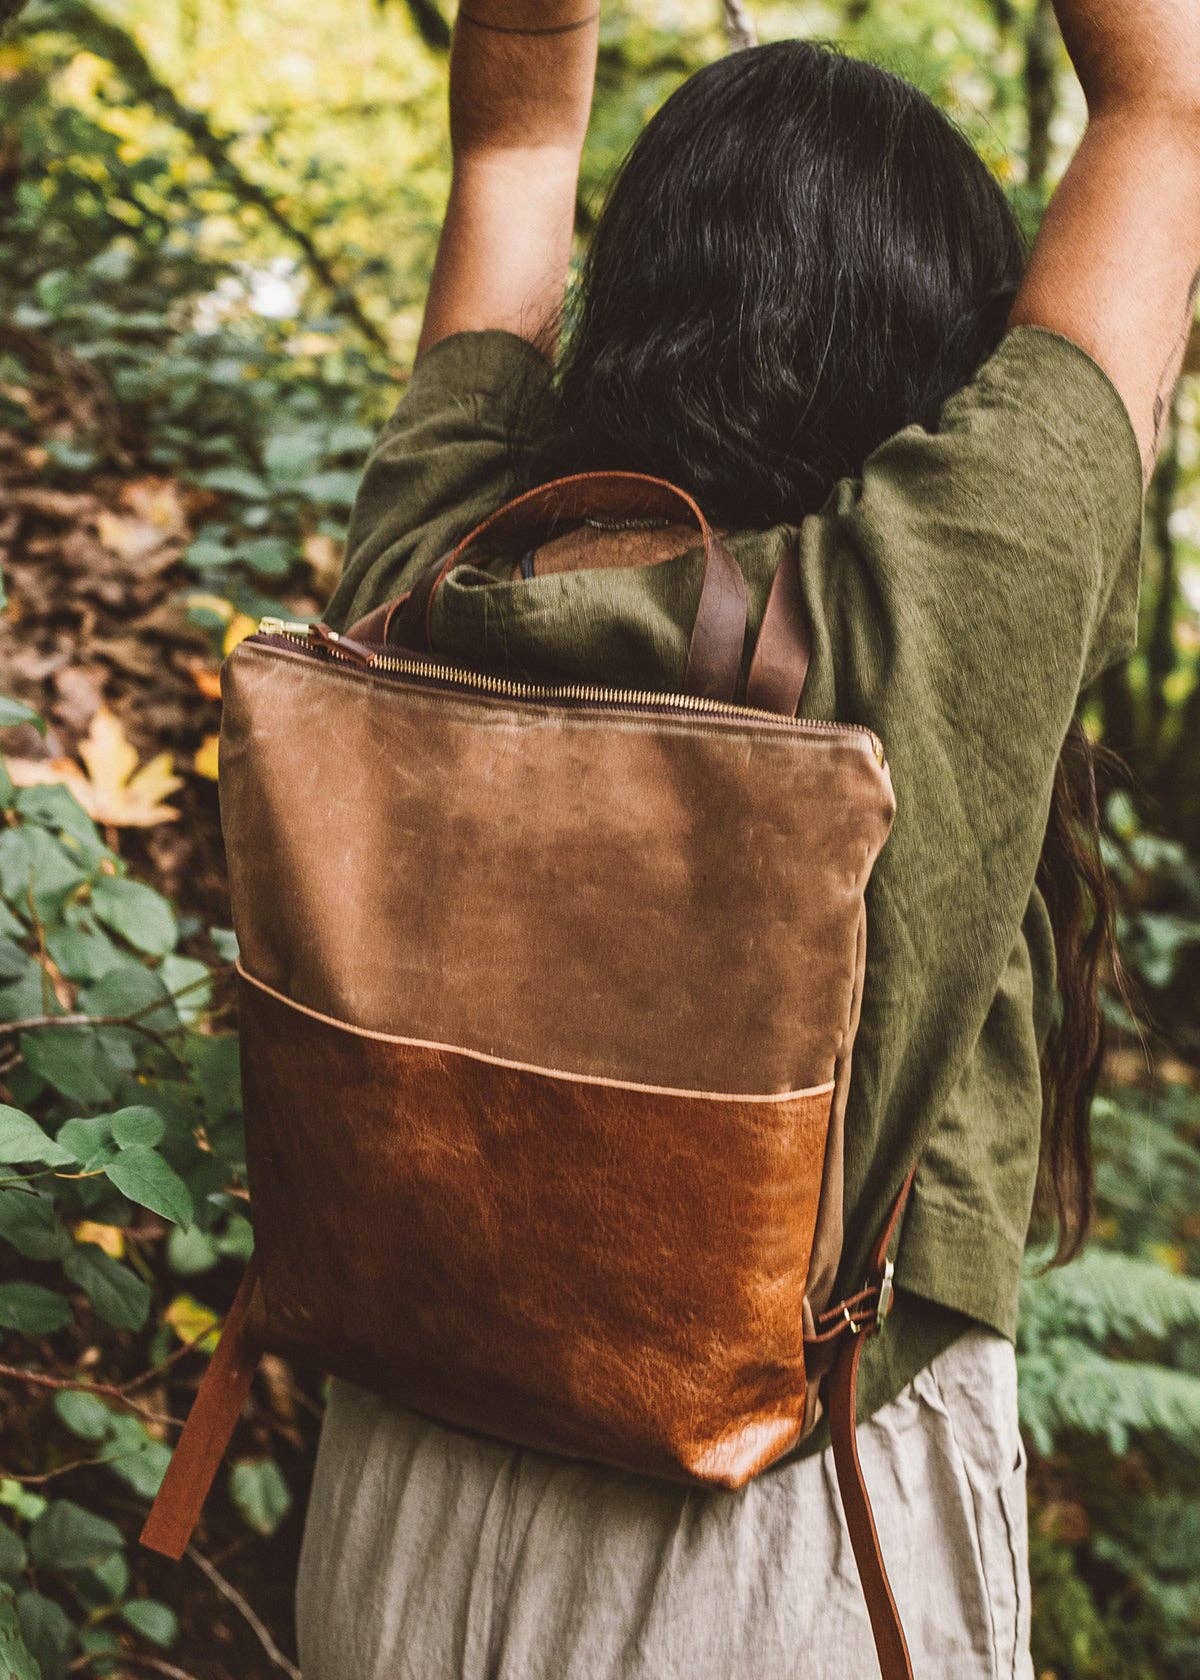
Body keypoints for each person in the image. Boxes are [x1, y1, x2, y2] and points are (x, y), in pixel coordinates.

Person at [295, 4, 1200, 1676]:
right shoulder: (908, 622)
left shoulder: (432, 576)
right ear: (945, 351)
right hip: (772, 1542)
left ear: (634, 291)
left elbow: (513, 142)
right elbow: (1174, 102)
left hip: (395, 1504)